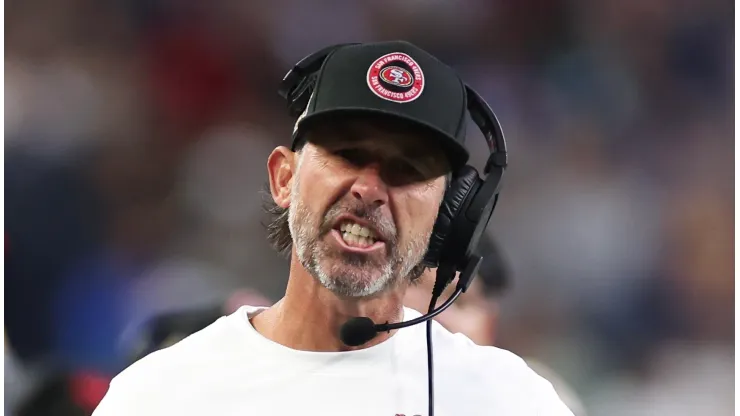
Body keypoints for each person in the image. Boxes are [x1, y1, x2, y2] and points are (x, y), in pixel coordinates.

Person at [93, 41, 573, 415]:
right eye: (346, 155)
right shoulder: (159, 397)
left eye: (407, 169)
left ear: (447, 215)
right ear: (284, 178)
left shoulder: (508, 402)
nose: (368, 188)